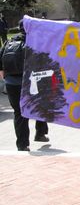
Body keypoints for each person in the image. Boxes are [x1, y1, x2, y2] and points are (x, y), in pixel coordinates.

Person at [0, 20, 49, 151]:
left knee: (19, 113)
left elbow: (1, 66)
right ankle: (40, 133)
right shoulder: (35, 42)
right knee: (40, 106)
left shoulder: (8, 43)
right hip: (31, 82)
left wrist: (6, 80)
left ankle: (22, 145)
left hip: (12, 83)